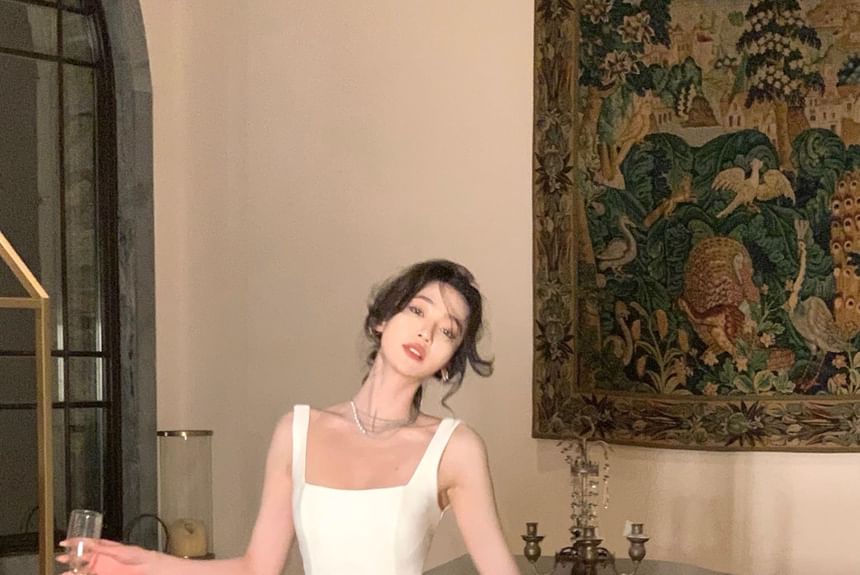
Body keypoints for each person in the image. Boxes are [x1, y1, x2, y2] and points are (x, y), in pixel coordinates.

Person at [60, 259, 519, 575]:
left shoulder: (454, 449)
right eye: (417, 310)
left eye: (447, 332)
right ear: (382, 319)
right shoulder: (297, 432)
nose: (425, 331)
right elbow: (256, 568)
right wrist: (143, 564)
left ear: (447, 364)